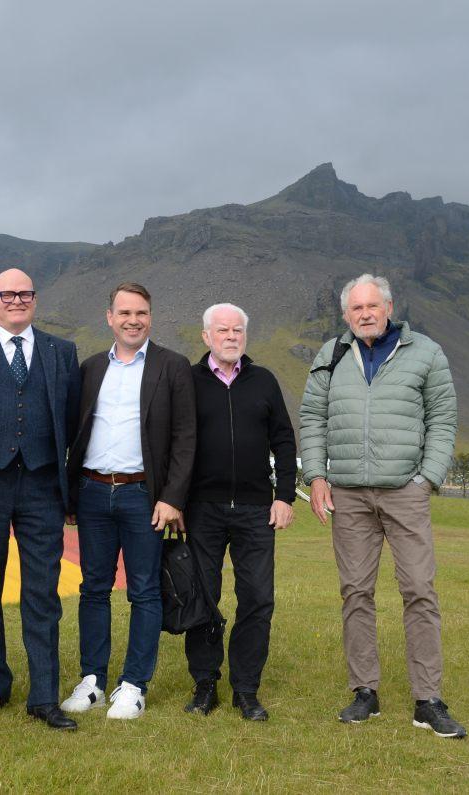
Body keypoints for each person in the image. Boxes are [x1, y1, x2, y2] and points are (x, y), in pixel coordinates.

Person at [299, 273, 465, 739]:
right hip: (348, 494)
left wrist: (426, 478)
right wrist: (316, 475)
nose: (365, 314)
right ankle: (364, 693)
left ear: (389, 308)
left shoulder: (426, 353)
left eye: (373, 306)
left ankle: (428, 700)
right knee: (356, 593)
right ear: (346, 314)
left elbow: (443, 417)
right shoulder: (331, 355)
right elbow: (312, 417)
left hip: (404, 491)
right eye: (356, 308)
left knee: (419, 590)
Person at [0, 268, 80, 731]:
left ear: (35, 299)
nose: (17, 300)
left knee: (42, 592)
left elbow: (74, 423)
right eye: (8, 294)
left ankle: (44, 697)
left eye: (25, 293)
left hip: (44, 486)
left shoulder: (62, 352)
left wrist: (72, 490)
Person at [61, 283, 195, 720]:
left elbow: (185, 438)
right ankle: (92, 682)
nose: (132, 320)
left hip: (144, 496)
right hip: (94, 492)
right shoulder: (91, 367)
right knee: (93, 589)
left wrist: (173, 497)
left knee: (144, 591)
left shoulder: (172, 367)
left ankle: (134, 685)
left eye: (140, 313)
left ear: (150, 318)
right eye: (124, 313)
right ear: (109, 317)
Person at [182, 303, 296, 721]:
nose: (231, 337)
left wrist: (284, 496)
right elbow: (175, 442)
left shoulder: (264, 381)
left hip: (255, 510)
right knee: (203, 598)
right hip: (201, 510)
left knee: (257, 599)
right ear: (206, 336)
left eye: (238, 331)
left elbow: (284, 441)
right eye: (223, 330)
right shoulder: (188, 381)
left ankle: (245, 689)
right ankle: (205, 683)